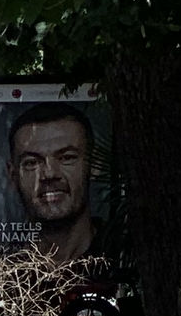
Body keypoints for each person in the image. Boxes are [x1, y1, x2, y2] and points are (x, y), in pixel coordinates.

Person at [6, 102, 106, 264]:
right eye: (32, 162)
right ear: (12, 174)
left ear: (94, 165)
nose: (49, 174)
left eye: (66, 158)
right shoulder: (4, 266)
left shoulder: (124, 257)